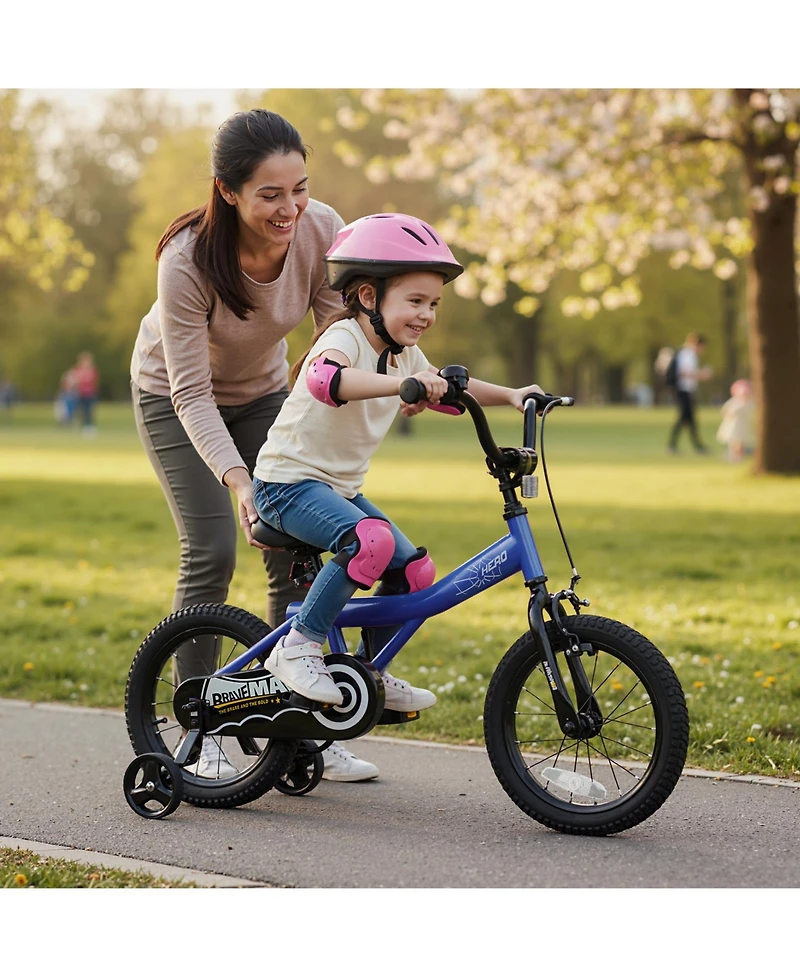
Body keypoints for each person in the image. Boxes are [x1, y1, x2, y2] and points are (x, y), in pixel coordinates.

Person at [129, 108, 377, 783]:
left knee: (294, 551)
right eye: (270, 193)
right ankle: (201, 722)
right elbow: (189, 393)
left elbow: (338, 334)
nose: (290, 206)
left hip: (266, 392)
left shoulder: (320, 228)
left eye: (299, 187)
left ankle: (295, 726)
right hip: (173, 398)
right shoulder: (186, 262)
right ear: (228, 191)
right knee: (212, 550)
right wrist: (240, 482)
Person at [251, 213, 544, 720]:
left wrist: (511, 396)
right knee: (370, 540)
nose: (426, 314)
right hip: (285, 484)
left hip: (335, 490)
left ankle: (367, 671)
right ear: (369, 297)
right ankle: (297, 648)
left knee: (414, 569)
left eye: (433, 303)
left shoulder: (405, 354)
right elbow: (328, 381)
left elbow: (454, 389)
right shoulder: (344, 338)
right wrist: (401, 387)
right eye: (415, 301)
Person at [667, 332, 713, 454]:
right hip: (683, 390)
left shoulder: (688, 354)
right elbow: (683, 373)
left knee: (689, 419)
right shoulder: (687, 354)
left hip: (687, 390)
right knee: (685, 418)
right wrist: (701, 374)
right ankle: (674, 446)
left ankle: (696, 446)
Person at [716, 378, 755, 462]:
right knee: (733, 441)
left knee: (741, 442)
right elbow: (725, 409)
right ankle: (732, 454)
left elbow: (749, 410)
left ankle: (739, 456)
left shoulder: (749, 403)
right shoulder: (735, 401)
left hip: (742, 425)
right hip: (733, 425)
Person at [72, 351, 99, 435]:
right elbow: (75, 380)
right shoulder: (78, 369)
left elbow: (93, 380)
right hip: (81, 394)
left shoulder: (92, 370)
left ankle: (89, 426)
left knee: (89, 411)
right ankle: (82, 426)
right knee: (81, 411)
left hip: (90, 394)